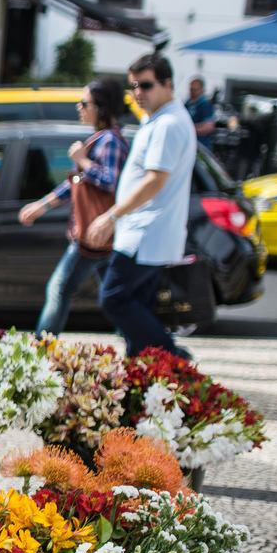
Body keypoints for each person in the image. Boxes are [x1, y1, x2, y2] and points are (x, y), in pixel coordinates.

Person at [85, 53, 197, 360]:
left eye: (145, 85)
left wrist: (111, 216)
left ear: (167, 84)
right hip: (144, 232)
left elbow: (155, 181)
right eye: (133, 86)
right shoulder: (161, 119)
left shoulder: (169, 124)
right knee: (137, 305)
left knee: (114, 299)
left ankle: (173, 355)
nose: (138, 93)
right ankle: (145, 372)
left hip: (146, 233)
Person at [19, 78, 130, 337]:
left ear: (101, 107)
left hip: (93, 233)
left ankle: (40, 353)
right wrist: (42, 205)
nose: (78, 107)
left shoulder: (109, 142)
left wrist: (82, 161)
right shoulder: (99, 140)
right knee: (115, 299)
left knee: (59, 289)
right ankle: (143, 346)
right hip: (97, 234)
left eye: (84, 103)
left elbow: (109, 181)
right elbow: (75, 185)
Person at [186, 76, 217, 151]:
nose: (192, 92)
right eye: (191, 89)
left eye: (195, 90)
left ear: (202, 90)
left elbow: (208, 127)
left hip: (201, 148)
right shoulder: (187, 103)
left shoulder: (205, 104)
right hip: (188, 146)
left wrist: (188, 128)